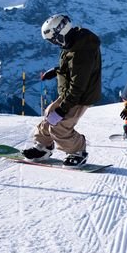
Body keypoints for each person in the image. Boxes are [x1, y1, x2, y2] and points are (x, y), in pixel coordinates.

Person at [22, 14, 102, 167]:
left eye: (54, 40)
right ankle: (43, 147)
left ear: (61, 33)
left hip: (80, 96)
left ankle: (78, 151)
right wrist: (57, 71)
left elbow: (79, 83)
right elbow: (75, 70)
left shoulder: (82, 51)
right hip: (70, 92)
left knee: (60, 125)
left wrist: (63, 110)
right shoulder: (73, 42)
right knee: (49, 115)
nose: (54, 43)